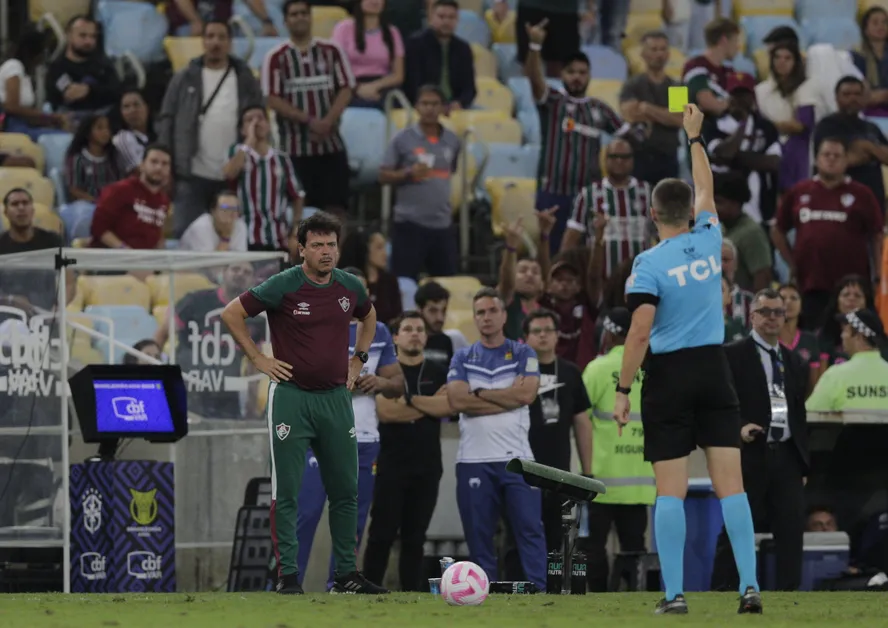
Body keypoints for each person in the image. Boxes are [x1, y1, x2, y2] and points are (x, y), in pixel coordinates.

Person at [615, 103, 761, 614]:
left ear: (652, 214)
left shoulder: (647, 264)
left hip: (670, 376)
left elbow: (638, 332)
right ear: (691, 213)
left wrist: (621, 389)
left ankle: (674, 595)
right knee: (732, 487)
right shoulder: (709, 239)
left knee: (671, 491)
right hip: (714, 370)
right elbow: (707, 190)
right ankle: (749, 588)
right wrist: (694, 139)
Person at [221, 211, 389, 595]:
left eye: (331, 244)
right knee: (288, 493)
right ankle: (288, 578)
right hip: (292, 398)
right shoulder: (284, 284)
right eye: (317, 245)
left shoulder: (348, 286)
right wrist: (259, 359)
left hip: (334, 398)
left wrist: (358, 359)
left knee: (346, 489)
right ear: (302, 249)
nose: (326, 251)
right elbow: (232, 313)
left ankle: (346, 575)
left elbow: (369, 315)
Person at [296, 266, 403, 590]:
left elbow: (398, 384)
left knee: (353, 520)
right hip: (320, 436)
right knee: (306, 513)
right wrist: (347, 381)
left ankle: (341, 583)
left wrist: (381, 381)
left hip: (365, 438)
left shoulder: (379, 331)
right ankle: (288, 582)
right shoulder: (314, 325)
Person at [446, 287, 546, 590]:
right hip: (473, 460)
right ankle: (480, 593)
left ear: (504, 315)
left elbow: (527, 394)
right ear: (474, 318)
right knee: (479, 534)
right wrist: (508, 396)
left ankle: (539, 592)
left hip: (517, 460)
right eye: (480, 312)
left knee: (529, 529)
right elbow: (457, 402)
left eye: (492, 311)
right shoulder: (463, 356)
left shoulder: (523, 352)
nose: (486, 317)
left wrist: (480, 393)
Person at [711, 289, 809, 592]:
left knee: (791, 530)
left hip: (787, 454)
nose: (771, 318)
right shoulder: (732, 354)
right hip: (750, 452)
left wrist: (802, 462)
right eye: (765, 311)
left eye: (778, 312)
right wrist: (738, 427)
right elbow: (718, 402)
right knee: (738, 525)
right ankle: (722, 589)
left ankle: (789, 593)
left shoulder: (794, 361)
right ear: (752, 315)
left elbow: (798, 411)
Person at [364, 311, 452, 591]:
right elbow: (387, 411)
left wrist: (409, 404)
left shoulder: (439, 372)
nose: (415, 333)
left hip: (428, 466)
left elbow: (448, 407)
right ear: (395, 337)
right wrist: (427, 406)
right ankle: (369, 587)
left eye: (419, 329)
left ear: (426, 336)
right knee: (382, 534)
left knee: (416, 537)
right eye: (408, 328)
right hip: (390, 465)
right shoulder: (385, 373)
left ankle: (411, 594)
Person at [524, 20, 626, 253]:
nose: (577, 77)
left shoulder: (600, 108)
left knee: (588, 256)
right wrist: (534, 46)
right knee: (552, 255)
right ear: (561, 75)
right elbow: (534, 79)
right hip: (553, 194)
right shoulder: (553, 101)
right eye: (571, 72)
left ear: (590, 75)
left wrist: (658, 116)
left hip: (589, 197)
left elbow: (632, 137)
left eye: (582, 72)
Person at [158, 20, 264, 237]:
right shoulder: (184, 77)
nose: (216, 42)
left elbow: (259, 119)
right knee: (186, 235)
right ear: (203, 41)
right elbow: (166, 120)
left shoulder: (245, 78)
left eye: (221, 37)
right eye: (211, 37)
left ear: (230, 42)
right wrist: (167, 165)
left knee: (230, 237)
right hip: (190, 175)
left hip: (232, 176)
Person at [771, 138, 883, 328]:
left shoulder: (862, 193)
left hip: (852, 287)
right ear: (816, 159)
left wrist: (878, 275)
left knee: (855, 334)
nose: (831, 159)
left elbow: (877, 235)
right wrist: (792, 263)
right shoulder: (799, 191)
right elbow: (777, 230)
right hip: (811, 282)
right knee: (814, 337)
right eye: (826, 155)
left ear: (846, 160)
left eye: (837, 156)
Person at [580, 307, 653, 592]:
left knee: (593, 546)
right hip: (641, 480)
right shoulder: (648, 369)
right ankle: (634, 598)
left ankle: (598, 597)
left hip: (601, 479)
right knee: (635, 549)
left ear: (608, 333)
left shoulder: (597, 369)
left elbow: (580, 419)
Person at [263, 0, 355, 219]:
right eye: (294, 14)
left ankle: (337, 253)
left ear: (311, 17)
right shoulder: (276, 57)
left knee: (337, 211)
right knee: (300, 213)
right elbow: (272, 99)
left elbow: (346, 88)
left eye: (304, 13)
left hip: (331, 147)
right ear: (285, 21)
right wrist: (310, 121)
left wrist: (327, 121)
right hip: (294, 151)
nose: (300, 17)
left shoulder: (332, 50)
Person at [524, 309, 592, 551]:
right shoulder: (517, 373)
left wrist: (587, 471)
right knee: (520, 535)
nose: (542, 336)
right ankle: (519, 586)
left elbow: (582, 423)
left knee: (557, 538)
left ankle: (552, 587)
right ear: (526, 338)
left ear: (557, 336)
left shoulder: (571, 372)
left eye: (548, 330)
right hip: (523, 469)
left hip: (559, 471)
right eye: (536, 331)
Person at [379, 84, 461, 279]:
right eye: (425, 103)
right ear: (416, 106)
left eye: (435, 104)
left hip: (442, 226)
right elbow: (383, 175)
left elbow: (452, 170)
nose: (430, 108)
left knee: (447, 285)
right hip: (409, 225)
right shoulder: (402, 139)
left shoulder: (453, 140)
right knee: (403, 284)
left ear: (443, 108)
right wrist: (408, 173)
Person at [222, 105, 304, 252]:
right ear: (242, 129)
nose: (256, 123)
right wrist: (249, 142)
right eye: (249, 120)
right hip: (245, 238)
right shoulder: (237, 152)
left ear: (268, 125)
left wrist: (296, 227)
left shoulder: (281, 159)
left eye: (260, 118)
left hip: (278, 239)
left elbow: (298, 195)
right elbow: (229, 173)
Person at [704, 72, 782, 225]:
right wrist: (742, 126)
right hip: (720, 208)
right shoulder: (712, 124)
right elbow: (725, 153)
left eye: (744, 95)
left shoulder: (765, 126)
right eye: (735, 95)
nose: (739, 100)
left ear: (752, 97)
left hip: (759, 208)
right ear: (728, 97)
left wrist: (732, 159)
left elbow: (773, 163)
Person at [813, 76, 888, 211]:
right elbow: (834, 162)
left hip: (873, 199)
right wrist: (874, 151)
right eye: (847, 94)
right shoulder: (827, 125)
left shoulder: (872, 127)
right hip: (838, 201)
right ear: (837, 98)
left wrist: (867, 147)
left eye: (857, 94)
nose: (853, 99)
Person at [618, 30, 682, 186]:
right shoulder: (632, 84)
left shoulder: (677, 86)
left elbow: (679, 120)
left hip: (668, 157)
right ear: (643, 54)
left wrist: (647, 109)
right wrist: (665, 115)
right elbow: (629, 114)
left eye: (663, 49)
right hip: (639, 157)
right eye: (654, 49)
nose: (659, 54)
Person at [89, 144, 172, 250]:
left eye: (165, 164)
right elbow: (98, 228)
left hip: (145, 261)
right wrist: (126, 251)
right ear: (142, 165)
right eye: (154, 162)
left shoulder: (164, 201)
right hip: (112, 258)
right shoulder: (119, 190)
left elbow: (158, 236)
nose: (159, 167)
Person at [806, 309, 888, 413]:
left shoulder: (835, 376)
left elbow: (810, 413)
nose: (842, 336)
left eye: (845, 331)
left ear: (859, 337)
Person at [403, 0, 476, 111]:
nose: (446, 22)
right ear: (431, 17)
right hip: (423, 106)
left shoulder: (463, 48)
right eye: (441, 17)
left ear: (457, 20)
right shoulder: (415, 44)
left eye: (451, 17)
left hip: (455, 107)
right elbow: (412, 84)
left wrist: (460, 103)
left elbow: (470, 88)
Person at [331, 0, 405, 109]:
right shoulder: (343, 28)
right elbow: (333, 67)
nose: (375, 1)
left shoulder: (392, 32)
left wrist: (373, 86)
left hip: (382, 85)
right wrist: (357, 88)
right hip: (350, 85)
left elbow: (398, 75)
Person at [0, 28, 69, 140]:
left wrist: (52, 121)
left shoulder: (25, 74)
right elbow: (11, 107)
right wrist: (48, 116)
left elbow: (26, 115)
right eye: (43, 52)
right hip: (10, 126)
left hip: (23, 124)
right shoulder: (13, 66)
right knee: (61, 138)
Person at [44, 15, 121, 116]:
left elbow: (117, 91)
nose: (89, 41)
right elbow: (53, 98)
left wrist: (89, 90)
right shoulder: (57, 68)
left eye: (93, 36)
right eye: (83, 35)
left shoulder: (104, 66)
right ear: (69, 35)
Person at [339, 229, 402, 327]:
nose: (385, 253)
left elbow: (397, 316)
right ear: (364, 249)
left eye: (385, 247)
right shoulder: (346, 280)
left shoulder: (390, 281)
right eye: (379, 247)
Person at [682, 17, 740, 117]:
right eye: (735, 41)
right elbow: (707, 102)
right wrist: (732, 107)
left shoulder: (729, 71)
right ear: (724, 40)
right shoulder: (694, 66)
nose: (738, 46)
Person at [64, 113, 121, 203]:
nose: (105, 132)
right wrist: (97, 202)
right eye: (100, 128)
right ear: (87, 132)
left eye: (108, 128)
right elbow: (75, 190)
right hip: (89, 206)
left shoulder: (114, 155)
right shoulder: (77, 159)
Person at [179, 191, 248, 252]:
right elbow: (209, 264)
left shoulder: (240, 225)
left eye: (235, 209)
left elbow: (240, 259)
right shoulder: (201, 227)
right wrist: (225, 237)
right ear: (213, 211)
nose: (231, 213)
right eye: (225, 208)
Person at [112, 89, 155, 176]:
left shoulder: (158, 135)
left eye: (136, 105)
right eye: (126, 107)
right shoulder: (122, 139)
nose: (132, 110)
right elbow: (138, 171)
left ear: (146, 107)